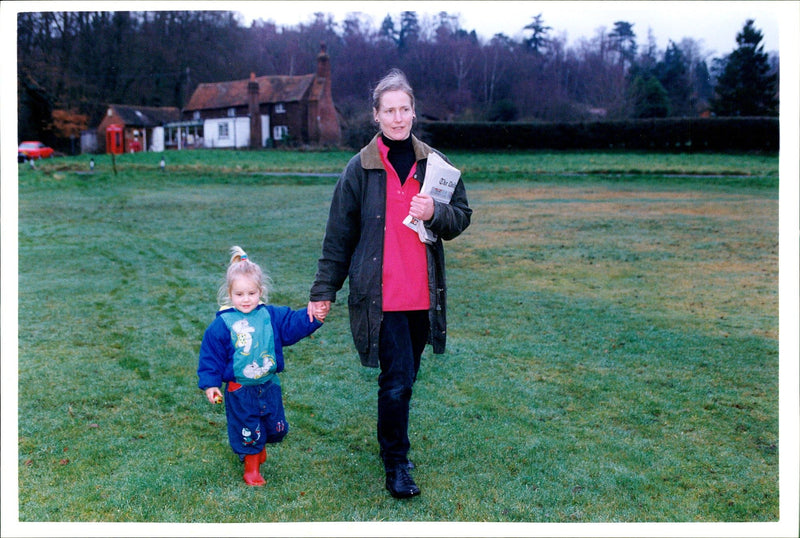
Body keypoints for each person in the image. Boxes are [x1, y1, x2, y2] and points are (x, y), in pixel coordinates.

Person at [307, 69, 472, 499]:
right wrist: (324, 290)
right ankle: (396, 464)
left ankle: (392, 446)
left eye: (405, 109)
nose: (398, 118)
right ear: (375, 116)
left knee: (406, 378)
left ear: (413, 112)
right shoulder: (359, 168)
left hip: (423, 297)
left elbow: (461, 217)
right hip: (379, 298)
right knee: (396, 380)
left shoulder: (435, 164)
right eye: (389, 110)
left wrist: (435, 210)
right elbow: (338, 237)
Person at [199, 246, 323, 486]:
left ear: (261, 292)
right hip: (239, 389)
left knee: (275, 427)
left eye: (251, 293)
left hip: (268, 385)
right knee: (249, 429)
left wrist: (313, 317)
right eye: (239, 294)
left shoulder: (270, 316)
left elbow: (292, 324)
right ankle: (252, 469)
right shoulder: (223, 324)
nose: (246, 299)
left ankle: (257, 447)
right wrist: (210, 385)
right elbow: (210, 357)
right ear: (229, 294)